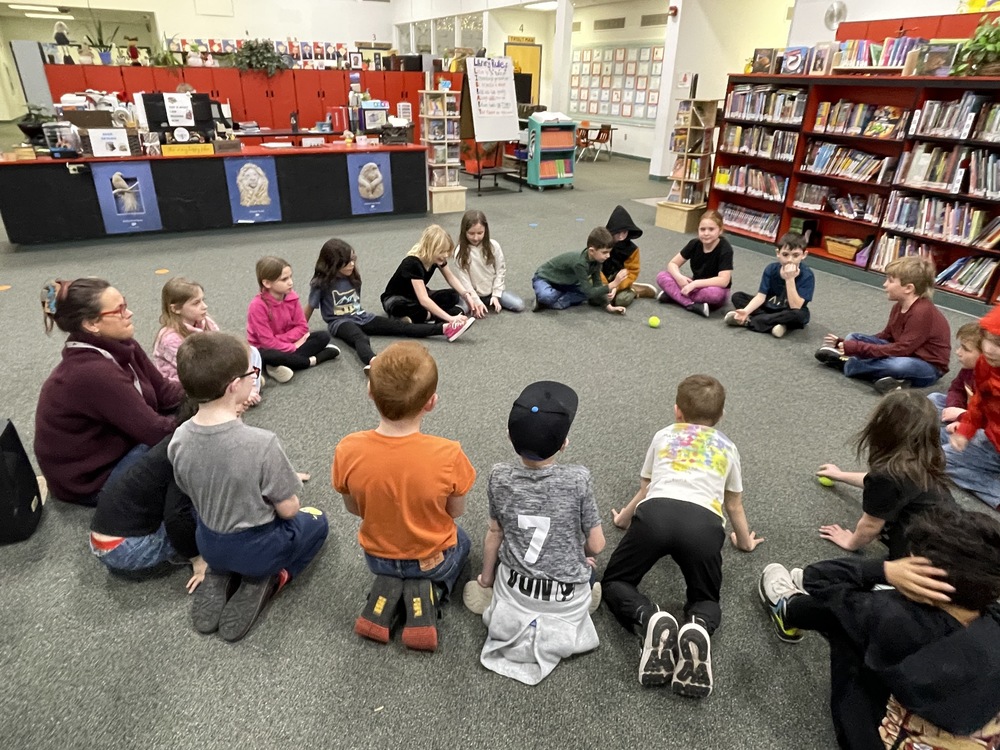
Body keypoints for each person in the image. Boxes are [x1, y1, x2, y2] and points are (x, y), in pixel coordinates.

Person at [758, 508, 1000, 750]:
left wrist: (885, 571)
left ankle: (787, 609)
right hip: (970, 721)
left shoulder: (888, 615)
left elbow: (814, 577)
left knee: (843, 617)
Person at [602, 374, 763, 699]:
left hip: (656, 516)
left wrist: (622, 518)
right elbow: (734, 503)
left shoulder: (664, 436)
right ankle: (698, 627)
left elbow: (646, 488)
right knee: (705, 599)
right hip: (703, 525)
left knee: (615, 583)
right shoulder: (728, 448)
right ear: (720, 417)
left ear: (677, 412)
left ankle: (650, 619)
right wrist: (744, 541)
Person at [169, 332, 329, 642]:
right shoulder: (262, 444)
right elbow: (289, 508)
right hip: (258, 550)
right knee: (317, 520)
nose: (252, 378)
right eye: (250, 374)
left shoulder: (178, 438)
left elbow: (187, 488)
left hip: (209, 544)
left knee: (226, 539)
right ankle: (269, 579)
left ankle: (221, 573)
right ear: (234, 386)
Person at [332, 341, 476, 652]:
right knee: (462, 541)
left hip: (378, 559)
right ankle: (430, 593)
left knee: (398, 554)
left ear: (370, 392)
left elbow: (354, 508)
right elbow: (455, 512)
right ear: (431, 402)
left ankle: (388, 594)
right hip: (429, 562)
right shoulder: (449, 454)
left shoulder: (348, 448)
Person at [464, 381, 605, 685]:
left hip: (515, 591)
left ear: (509, 437)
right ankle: (581, 606)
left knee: (500, 565)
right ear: (564, 443)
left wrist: (486, 580)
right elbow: (597, 544)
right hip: (565, 599)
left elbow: (494, 534)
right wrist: (583, 557)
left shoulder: (499, 476)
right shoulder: (578, 479)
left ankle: (495, 600)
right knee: (591, 573)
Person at [35, 278, 183, 505]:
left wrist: (209, 385)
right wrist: (211, 414)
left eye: (125, 304)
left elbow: (165, 394)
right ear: (91, 324)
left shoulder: (122, 344)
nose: (130, 313)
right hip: (90, 481)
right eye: (120, 310)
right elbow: (155, 432)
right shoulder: (92, 373)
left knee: (198, 428)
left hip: (124, 445)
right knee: (193, 447)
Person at [815, 390, 954, 559]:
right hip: (948, 534)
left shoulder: (887, 475)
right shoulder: (925, 457)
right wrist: (840, 475)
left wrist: (850, 542)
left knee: (847, 574)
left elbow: (870, 526)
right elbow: (882, 485)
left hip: (919, 553)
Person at [305, 238, 466, 370]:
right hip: (339, 322)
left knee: (400, 327)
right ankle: (372, 361)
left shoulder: (352, 276)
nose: (352, 265)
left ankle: (445, 329)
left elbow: (356, 302)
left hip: (362, 316)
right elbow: (310, 307)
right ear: (333, 264)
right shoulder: (321, 283)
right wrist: (301, 331)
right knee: (359, 338)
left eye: (353, 260)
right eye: (347, 263)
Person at [815, 255, 951, 394]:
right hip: (903, 352)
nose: (884, 284)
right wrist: (848, 343)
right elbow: (886, 336)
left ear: (908, 288)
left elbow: (902, 350)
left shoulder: (921, 312)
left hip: (926, 366)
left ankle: (847, 363)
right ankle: (891, 380)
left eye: (890, 281)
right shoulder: (899, 306)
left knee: (899, 365)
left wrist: (858, 349)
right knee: (853, 337)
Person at [90, 434, 207, 593]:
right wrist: (198, 560)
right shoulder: (187, 457)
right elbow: (176, 517)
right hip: (127, 549)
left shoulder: (166, 441)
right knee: (207, 508)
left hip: (102, 535)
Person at [153, 276, 262, 405]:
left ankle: (250, 388)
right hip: (188, 382)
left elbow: (223, 346)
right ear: (175, 308)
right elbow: (193, 372)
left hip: (211, 367)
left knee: (251, 352)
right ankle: (240, 392)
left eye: (203, 300)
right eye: (196, 303)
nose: (204, 306)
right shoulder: (169, 339)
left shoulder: (205, 321)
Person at [246, 256, 339, 384]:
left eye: (290, 277)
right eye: (284, 279)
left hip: (288, 343)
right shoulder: (257, 306)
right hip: (266, 348)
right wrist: (294, 346)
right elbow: (267, 342)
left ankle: (277, 366)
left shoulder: (292, 297)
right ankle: (312, 360)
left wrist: (290, 342)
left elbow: (302, 327)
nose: (290, 282)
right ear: (267, 283)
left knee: (323, 336)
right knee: (268, 355)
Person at [944, 305, 1000, 509]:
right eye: (988, 340)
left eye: (999, 344)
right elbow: (978, 401)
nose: (989, 350)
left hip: (993, 442)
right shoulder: (986, 363)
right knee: (939, 445)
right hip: (991, 436)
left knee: (938, 461)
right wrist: (966, 429)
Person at [380, 224, 477, 338]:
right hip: (397, 299)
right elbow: (424, 300)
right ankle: (436, 317)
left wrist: (466, 295)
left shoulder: (437, 259)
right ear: (431, 249)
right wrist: (450, 318)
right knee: (418, 310)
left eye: (446, 252)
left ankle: (430, 316)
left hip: (416, 295)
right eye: (442, 252)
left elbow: (450, 277)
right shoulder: (412, 263)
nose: (445, 255)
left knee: (453, 295)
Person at [724, 231, 812, 338]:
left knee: (799, 315)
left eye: (795, 255)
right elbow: (761, 296)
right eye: (785, 255)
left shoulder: (807, 275)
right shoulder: (771, 269)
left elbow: (795, 306)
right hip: (769, 307)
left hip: (789, 311)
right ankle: (777, 325)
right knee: (737, 296)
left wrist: (790, 279)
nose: (790, 260)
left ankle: (750, 322)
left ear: (804, 255)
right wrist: (746, 311)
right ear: (778, 253)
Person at [647, 210, 733, 318]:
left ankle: (674, 296)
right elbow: (672, 264)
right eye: (702, 229)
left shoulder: (725, 249)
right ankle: (691, 304)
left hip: (715, 288)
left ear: (720, 230)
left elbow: (723, 281)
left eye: (711, 229)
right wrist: (679, 278)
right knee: (662, 276)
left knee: (714, 295)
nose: (706, 233)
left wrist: (695, 284)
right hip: (694, 286)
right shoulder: (695, 243)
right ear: (698, 230)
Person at [532, 227, 628, 314]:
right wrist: (613, 284)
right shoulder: (580, 263)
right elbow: (589, 291)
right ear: (591, 251)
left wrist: (609, 307)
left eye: (609, 252)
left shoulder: (597, 261)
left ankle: (547, 302)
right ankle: (548, 300)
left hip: (566, 283)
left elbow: (597, 284)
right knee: (547, 296)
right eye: (604, 252)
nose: (608, 256)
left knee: (587, 295)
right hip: (545, 278)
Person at [451, 209, 525, 314]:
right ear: (464, 231)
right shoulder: (460, 251)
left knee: (519, 305)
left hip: (492, 292)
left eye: (480, 233)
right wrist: (476, 301)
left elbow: (500, 270)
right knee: (460, 311)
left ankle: (491, 300)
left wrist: (496, 294)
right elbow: (464, 280)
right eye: (471, 233)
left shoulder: (494, 246)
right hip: (472, 293)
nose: (476, 238)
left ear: (486, 230)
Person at [928, 321, 981, 423]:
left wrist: (961, 416)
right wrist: (954, 408)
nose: (958, 352)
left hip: (983, 423)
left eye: (965, 349)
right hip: (965, 411)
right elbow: (956, 390)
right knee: (933, 399)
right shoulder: (968, 370)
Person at [600, 204, 644, 308]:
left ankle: (634, 290)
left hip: (620, 282)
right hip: (602, 281)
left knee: (621, 301)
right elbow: (594, 267)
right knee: (594, 298)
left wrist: (617, 286)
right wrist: (606, 287)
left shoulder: (632, 250)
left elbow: (632, 271)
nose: (621, 236)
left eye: (624, 232)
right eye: (617, 232)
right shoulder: (601, 243)